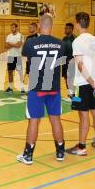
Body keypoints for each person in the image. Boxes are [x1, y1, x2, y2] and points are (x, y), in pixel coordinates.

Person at [17, 14, 65, 165]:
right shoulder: (61, 44)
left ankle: (28, 155)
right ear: (52, 26)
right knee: (55, 120)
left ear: (39, 25)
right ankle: (60, 152)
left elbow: (27, 58)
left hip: (37, 87)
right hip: (54, 87)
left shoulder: (31, 42)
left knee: (34, 121)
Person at [67, 12, 95, 155]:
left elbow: (80, 64)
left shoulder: (77, 41)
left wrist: (90, 81)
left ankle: (81, 147)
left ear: (77, 24)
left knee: (83, 115)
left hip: (82, 84)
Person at [5, 23, 26, 95]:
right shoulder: (8, 36)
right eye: (11, 27)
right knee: (10, 72)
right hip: (10, 56)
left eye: (13, 27)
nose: (12, 29)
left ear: (17, 28)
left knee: (20, 73)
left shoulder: (21, 36)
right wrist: (14, 44)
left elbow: (19, 45)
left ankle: (22, 88)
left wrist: (10, 44)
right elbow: (6, 46)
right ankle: (10, 88)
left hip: (18, 57)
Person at [62, 23, 76, 98]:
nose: (65, 30)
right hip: (64, 62)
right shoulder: (64, 38)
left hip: (72, 63)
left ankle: (73, 94)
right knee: (65, 77)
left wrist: (72, 59)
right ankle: (70, 93)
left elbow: (77, 52)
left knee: (71, 78)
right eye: (65, 28)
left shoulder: (74, 39)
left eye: (67, 28)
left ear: (71, 29)